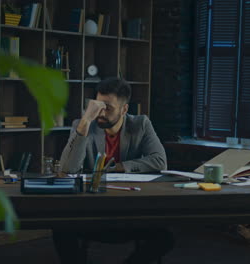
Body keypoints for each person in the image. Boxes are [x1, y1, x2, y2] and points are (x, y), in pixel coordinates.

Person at [54, 77, 173, 264]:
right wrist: (85, 120)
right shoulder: (85, 124)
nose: (101, 112)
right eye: (98, 105)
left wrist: (121, 167)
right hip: (93, 213)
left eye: (108, 107)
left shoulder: (140, 124)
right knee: (60, 228)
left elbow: (159, 161)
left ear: (124, 109)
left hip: (130, 213)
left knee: (164, 238)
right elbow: (68, 169)